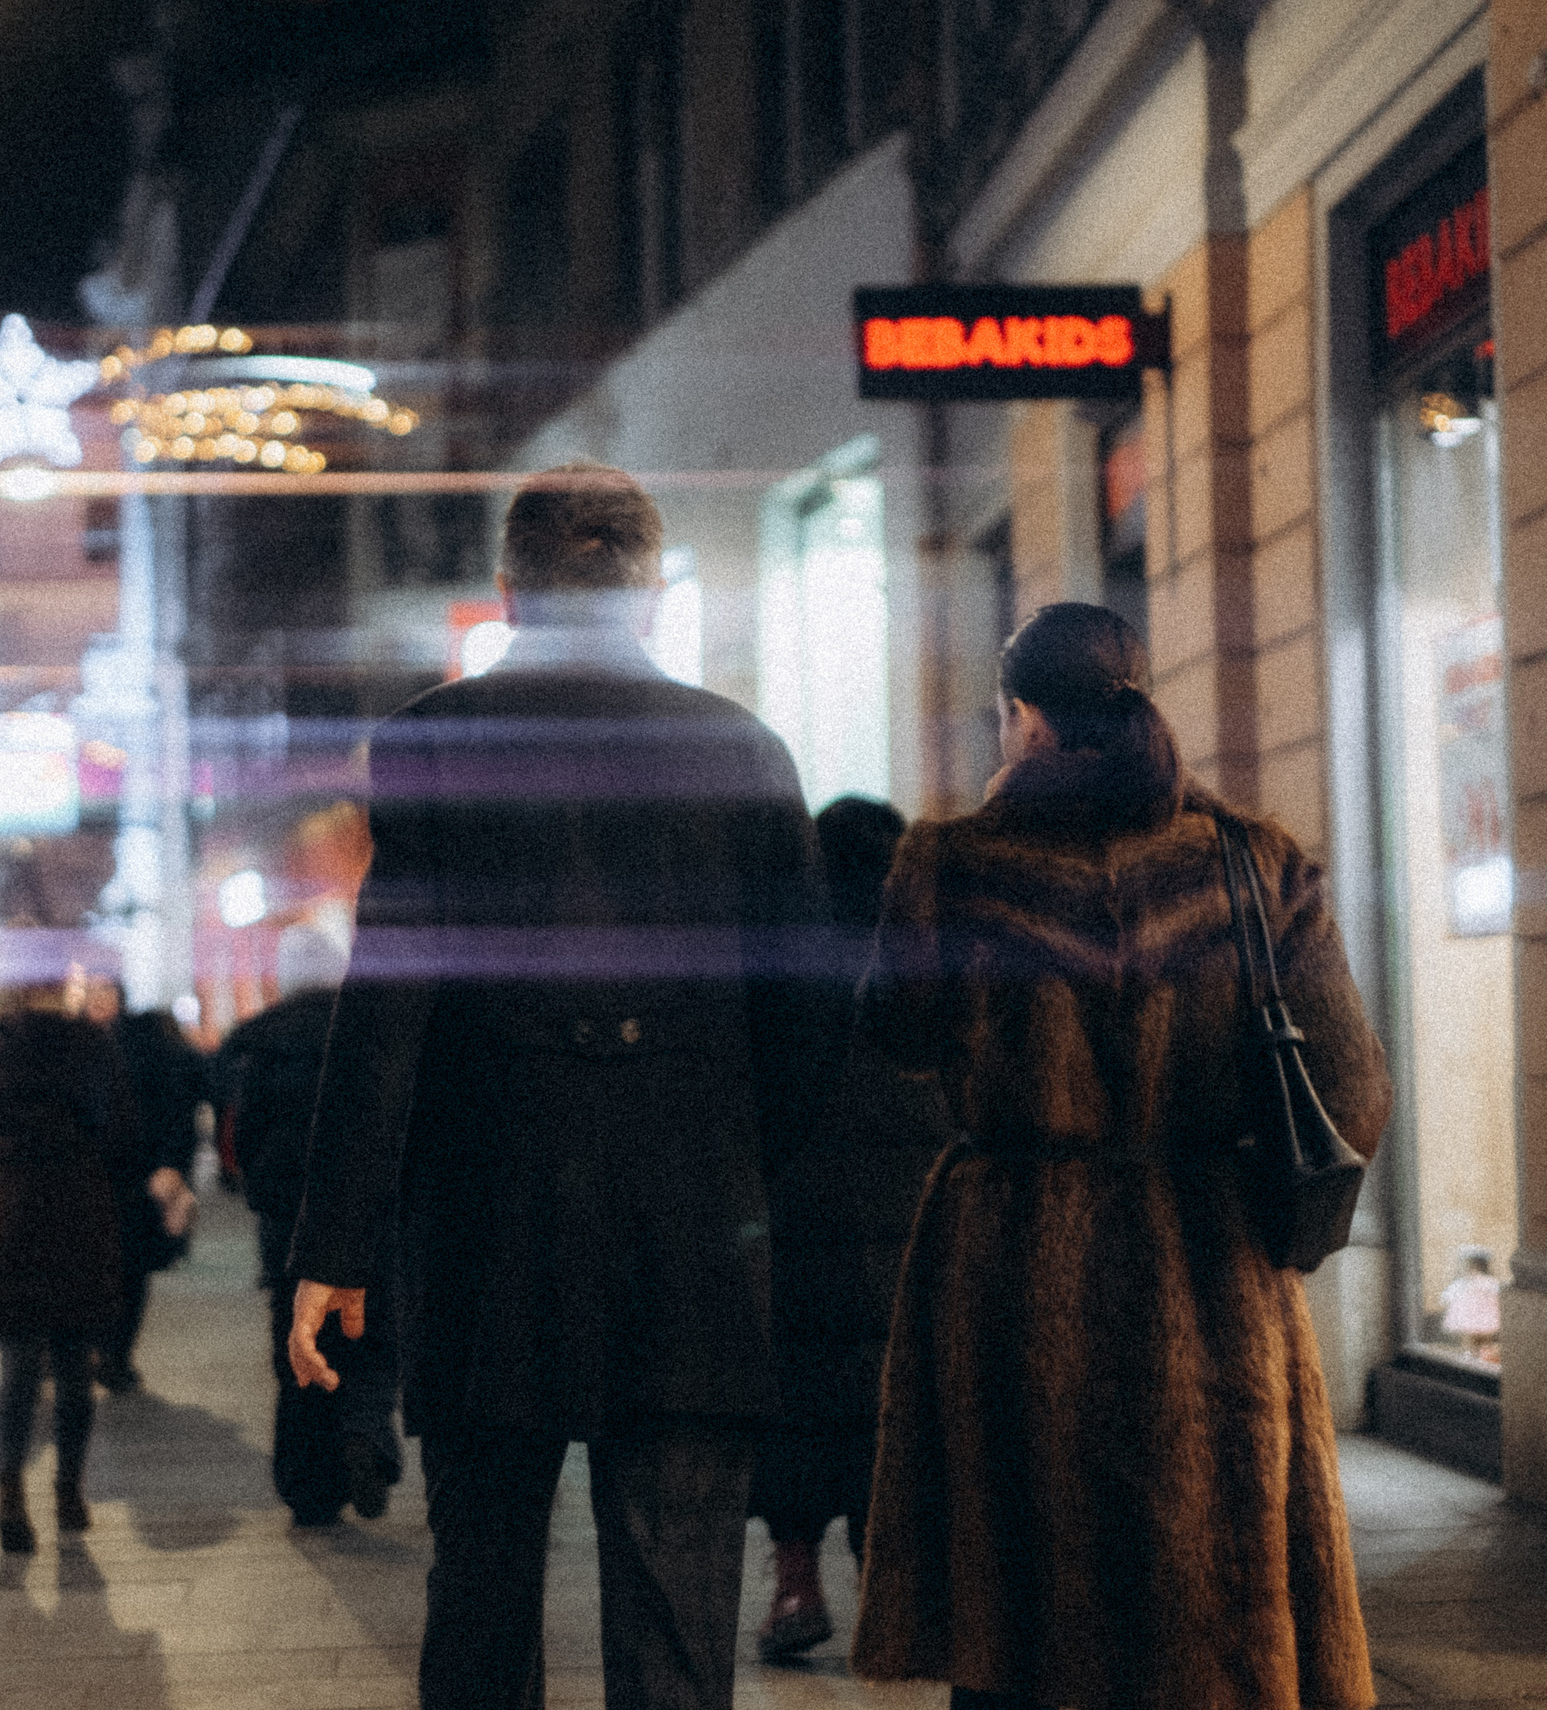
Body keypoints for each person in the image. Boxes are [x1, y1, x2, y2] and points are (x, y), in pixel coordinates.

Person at [287, 463, 828, 1710]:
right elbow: (808, 1020)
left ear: (507, 590)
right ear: (650, 591)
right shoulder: (743, 750)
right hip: (690, 1233)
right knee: (678, 1615)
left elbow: (387, 1012)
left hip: (491, 1224)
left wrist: (337, 1244)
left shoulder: (429, 741)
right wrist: (738, 1175)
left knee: (480, 1598)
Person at [848, 603, 1393, 1710]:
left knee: (1016, 1612)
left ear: (1025, 717)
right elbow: (1351, 1087)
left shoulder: (952, 864)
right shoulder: (1253, 864)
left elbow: (895, 1033)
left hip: (1012, 1271)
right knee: (1208, 1611)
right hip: (1209, 1269)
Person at [750, 796, 953, 1661]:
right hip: (909, 1210)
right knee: (889, 1403)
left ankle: (797, 1585)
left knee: (794, 1401)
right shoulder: (924, 952)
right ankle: (887, 1596)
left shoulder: (783, 953)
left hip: (798, 1214)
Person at [223, 924, 401, 1526]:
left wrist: (260, 1188)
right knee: (370, 1323)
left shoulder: (265, 1041)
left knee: (297, 1334)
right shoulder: (366, 1032)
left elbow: (245, 1130)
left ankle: (308, 1485)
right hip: (366, 1204)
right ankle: (365, 1430)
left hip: (288, 1213)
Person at [0, 984, 134, 1555]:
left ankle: (10, 1494)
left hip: (12, 1210)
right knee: (73, 1363)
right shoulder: (92, 1042)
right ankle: (68, 1491)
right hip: (76, 1207)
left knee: (17, 1366)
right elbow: (118, 1126)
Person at [100, 997, 203, 1393]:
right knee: (118, 1268)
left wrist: (171, 1163)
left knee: (122, 1266)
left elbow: (176, 1108)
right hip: (113, 1176)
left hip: (124, 1175)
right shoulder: (73, 1040)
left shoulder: (137, 1044)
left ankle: (111, 1354)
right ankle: (109, 1353)